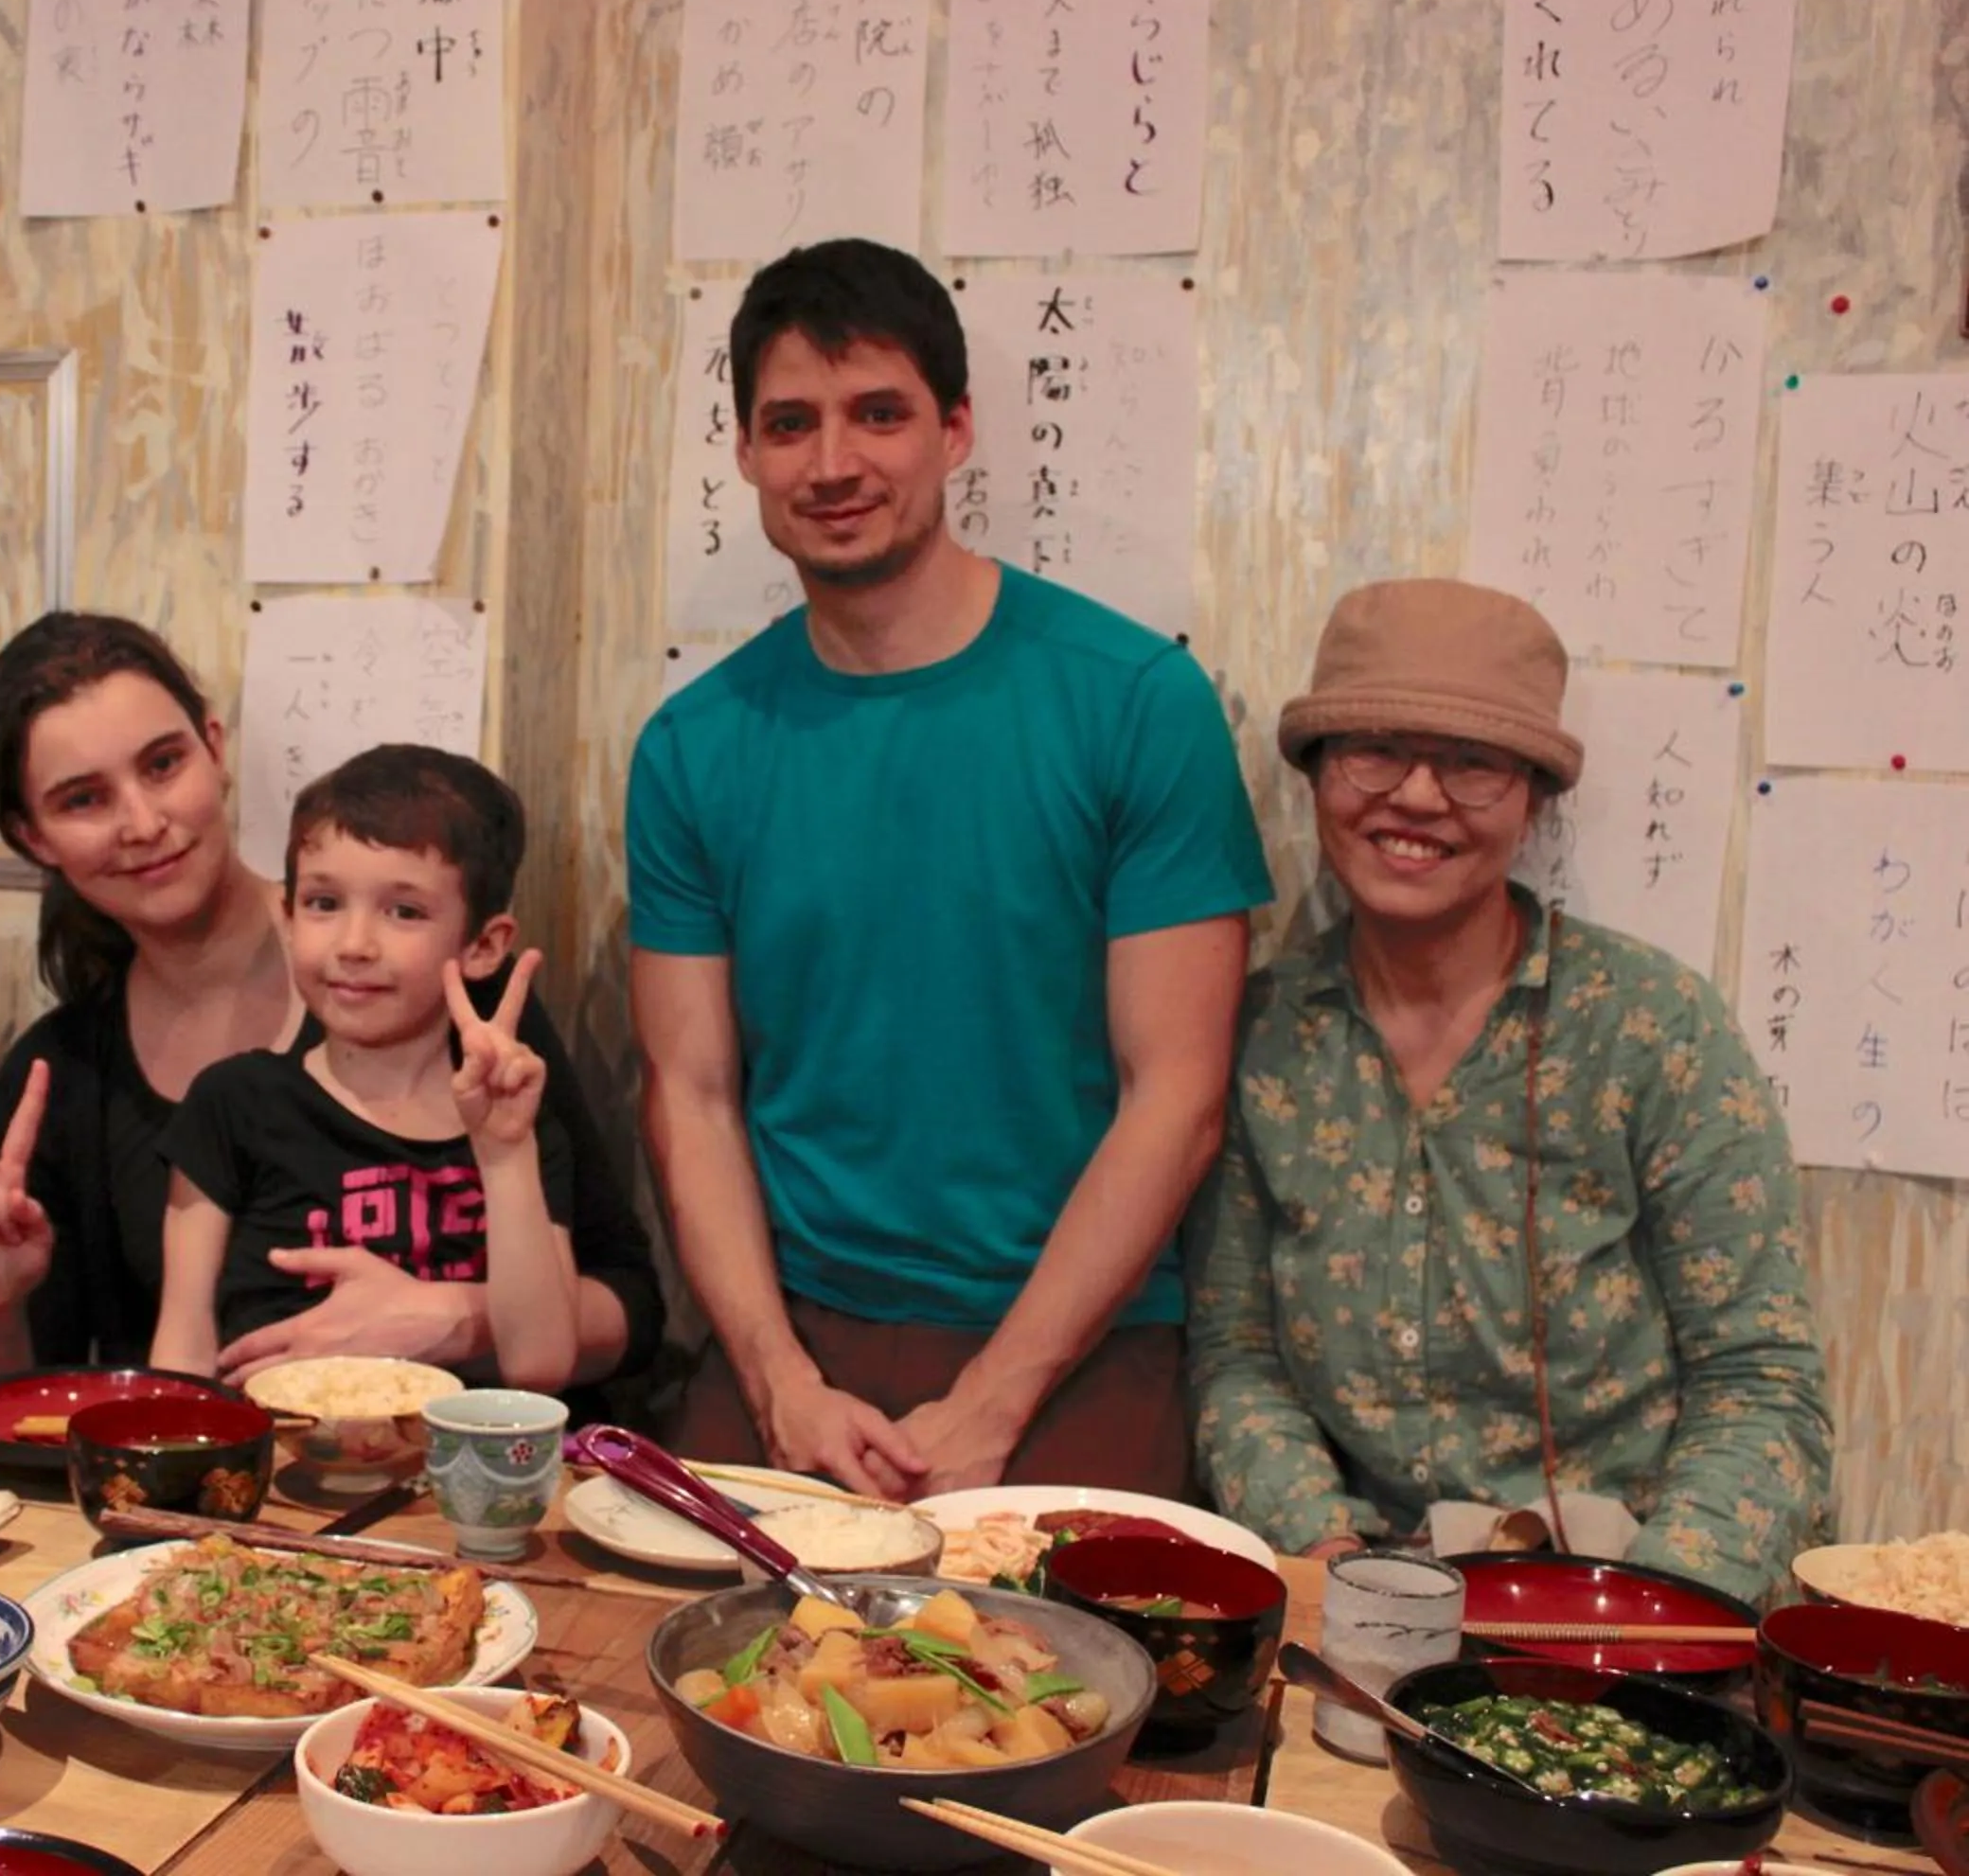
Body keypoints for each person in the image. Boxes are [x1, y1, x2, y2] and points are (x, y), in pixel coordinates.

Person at [628, 238, 1274, 1501]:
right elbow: (690, 1092)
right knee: (677, 1660)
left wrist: (993, 1401)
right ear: (747, 452)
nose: (832, 464)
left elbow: (1178, 1093)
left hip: (1074, 1339)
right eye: (789, 423)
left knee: (1053, 1676)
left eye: (879, 413)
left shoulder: (1136, 702)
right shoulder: (695, 747)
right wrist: (774, 1378)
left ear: (956, 429)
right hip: (796, 1329)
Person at [1185, 578, 1831, 1603]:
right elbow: (1237, 1356)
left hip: (1628, 1594)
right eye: (1374, 748)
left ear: (1534, 797)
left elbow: (1761, 1381)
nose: (1418, 796)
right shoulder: (1258, 1032)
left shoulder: (1652, 1026)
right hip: (1357, 1598)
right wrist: (1333, 1567)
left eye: (1474, 762)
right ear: (1315, 776)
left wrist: (1654, 1610)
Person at [0, 612, 665, 1393]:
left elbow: (632, 1304)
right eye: (82, 799)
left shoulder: (443, 995)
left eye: (164, 764)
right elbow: (31, 1401)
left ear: (215, 749)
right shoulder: (64, 1074)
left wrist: (456, 1317)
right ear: (32, 837)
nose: (143, 823)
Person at [148, 747, 583, 1392]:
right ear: (288, 916)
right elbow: (182, 1342)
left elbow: (541, 1363)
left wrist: (503, 1151)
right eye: (324, 903)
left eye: (404, 912)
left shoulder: (515, 1121)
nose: (354, 945)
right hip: (269, 1466)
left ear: (484, 945)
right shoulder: (234, 1101)